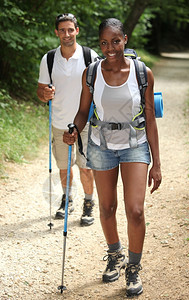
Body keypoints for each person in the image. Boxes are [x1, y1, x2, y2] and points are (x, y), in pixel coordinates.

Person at [63, 18, 162, 297]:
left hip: (135, 144)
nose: (110, 48)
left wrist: (157, 163)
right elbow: (83, 112)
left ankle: (133, 266)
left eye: (115, 41)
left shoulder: (143, 73)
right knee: (106, 208)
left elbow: (151, 119)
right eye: (104, 43)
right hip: (102, 145)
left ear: (125, 39)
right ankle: (114, 254)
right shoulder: (91, 73)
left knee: (136, 210)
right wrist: (74, 128)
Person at [37, 13, 99, 226]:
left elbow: (100, 89)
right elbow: (40, 90)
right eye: (62, 30)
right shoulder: (49, 59)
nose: (66, 34)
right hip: (59, 122)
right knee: (64, 167)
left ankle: (89, 203)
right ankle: (67, 199)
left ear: (77, 31)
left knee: (86, 167)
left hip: (86, 123)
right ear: (56, 33)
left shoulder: (90, 56)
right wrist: (44, 94)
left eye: (70, 29)